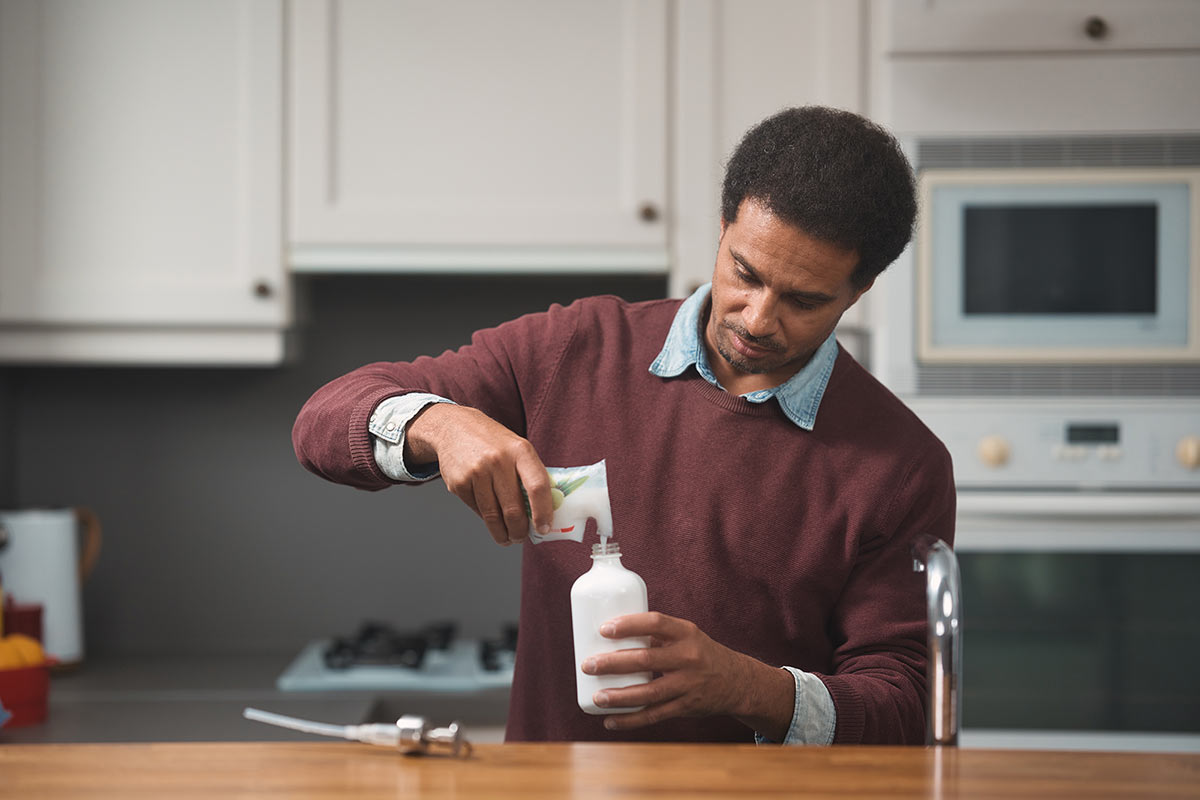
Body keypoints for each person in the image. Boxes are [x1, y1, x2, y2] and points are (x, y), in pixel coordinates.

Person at [292, 106, 955, 745]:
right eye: (744, 275)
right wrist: (438, 422)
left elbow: (904, 704)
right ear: (723, 229)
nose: (757, 318)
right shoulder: (574, 348)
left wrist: (746, 687)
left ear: (859, 290)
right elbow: (324, 423)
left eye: (805, 300)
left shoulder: (901, 464)